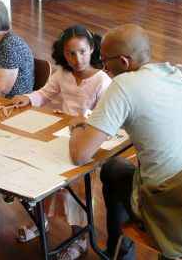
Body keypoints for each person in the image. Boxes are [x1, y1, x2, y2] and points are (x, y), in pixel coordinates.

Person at [67, 24, 182, 259]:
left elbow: (81, 154)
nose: (103, 67)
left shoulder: (124, 85)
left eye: (104, 60)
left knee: (113, 169)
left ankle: (120, 253)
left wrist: (78, 125)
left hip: (173, 210)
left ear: (123, 61)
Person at [12, 25, 111, 260]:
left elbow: (105, 118)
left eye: (83, 52)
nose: (78, 59)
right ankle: (39, 221)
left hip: (86, 143)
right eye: (71, 54)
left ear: (92, 49)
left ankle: (80, 237)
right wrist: (27, 98)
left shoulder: (101, 81)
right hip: (61, 137)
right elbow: (44, 94)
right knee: (43, 177)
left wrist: (82, 122)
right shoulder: (62, 75)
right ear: (62, 54)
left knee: (76, 193)